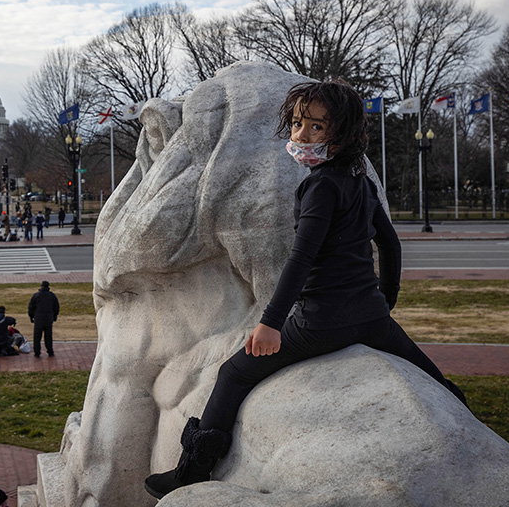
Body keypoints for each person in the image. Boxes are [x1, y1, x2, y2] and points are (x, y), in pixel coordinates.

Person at [144, 80, 468, 499]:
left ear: (343, 133)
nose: (301, 135)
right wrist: (385, 299)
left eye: (316, 127)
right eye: (298, 123)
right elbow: (389, 244)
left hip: (320, 322)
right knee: (437, 382)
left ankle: (191, 472)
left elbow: (302, 258)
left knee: (233, 372)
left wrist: (270, 324)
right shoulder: (360, 182)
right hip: (371, 318)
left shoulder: (320, 186)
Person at [28, 281, 59, 358]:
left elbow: (30, 307)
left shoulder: (36, 295)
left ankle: (37, 352)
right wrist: (54, 316)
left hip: (38, 318)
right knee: (48, 336)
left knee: (37, 336)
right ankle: (50, 351)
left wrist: (31, 317)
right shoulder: (52, 296)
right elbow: (56, 307)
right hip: (48, 318)